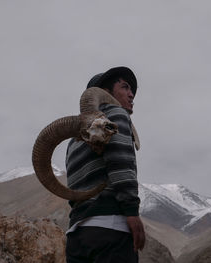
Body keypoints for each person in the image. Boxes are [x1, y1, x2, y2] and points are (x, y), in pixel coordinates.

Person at [65, 66, 145, 263]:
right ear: (106, 93)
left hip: (77, 235)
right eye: (125, 87)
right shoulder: (116, 114)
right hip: (111, 232)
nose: (131, 94)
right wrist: (131, 212)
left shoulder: (73, 142)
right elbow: (120, 162)